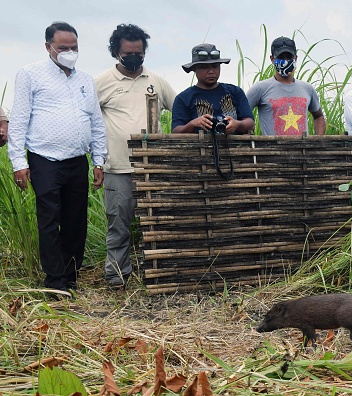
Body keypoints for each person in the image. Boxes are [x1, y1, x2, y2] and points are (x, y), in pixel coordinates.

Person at [8, 21, 107, 297]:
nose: (70, 51)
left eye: (74, 47)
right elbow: (18, 120)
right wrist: (19, 163)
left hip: (77, 160)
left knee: (76, 220)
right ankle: (55, 282)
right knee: (49, 219)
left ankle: (70, 274)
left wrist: (99, 160)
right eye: (63, 47)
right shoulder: (30, 74)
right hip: (44, 159)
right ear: (48, 47)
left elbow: (96, 123)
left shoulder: (85, 79)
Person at [94, 24, 177, 289]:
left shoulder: (156, 81)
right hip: (118, 167)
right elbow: (89, 120)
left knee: (158, 223)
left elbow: (180, 109)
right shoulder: (102, 82)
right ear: (116, 52)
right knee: (118, 224)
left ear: (144, 52)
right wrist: (96, 159)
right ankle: (117, 276)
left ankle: (158, 272)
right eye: (127, 52)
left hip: (152, 166)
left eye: (138, 52)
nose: (133, 57)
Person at [246, 36, 325, 136]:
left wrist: (318, 140)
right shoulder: (260, 88)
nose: (285, 61)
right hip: (272, 151)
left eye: (289, 57)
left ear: (295, 58)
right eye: (281, 57)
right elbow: (242, 116)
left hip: (303, 151)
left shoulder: (307, 89)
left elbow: (319, 116)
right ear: (272, 59)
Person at [171, 43, 254, 135]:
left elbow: (250, 123)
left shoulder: (235, 92)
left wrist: (237, 124)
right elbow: (176, 131)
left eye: (215, 66)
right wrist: (193, 124)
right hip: (198, 148)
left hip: (235, 148)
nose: (211, 71)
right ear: (194, 69)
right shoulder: (183, 98)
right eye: (204, 67)